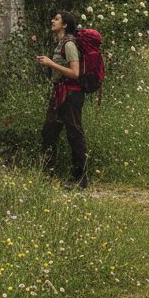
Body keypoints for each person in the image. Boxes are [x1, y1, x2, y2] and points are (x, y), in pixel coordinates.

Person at [36, 10, 87, 189]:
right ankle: (47, 175)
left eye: (56, 19)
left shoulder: (69, 44)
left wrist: (51, 63)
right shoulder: (60, 44)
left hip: (71, 95)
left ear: (65, 24)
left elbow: (75, 73)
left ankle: (80, 178)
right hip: (60, 93)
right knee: (49, 132)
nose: (52, 21)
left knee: (74, 134)